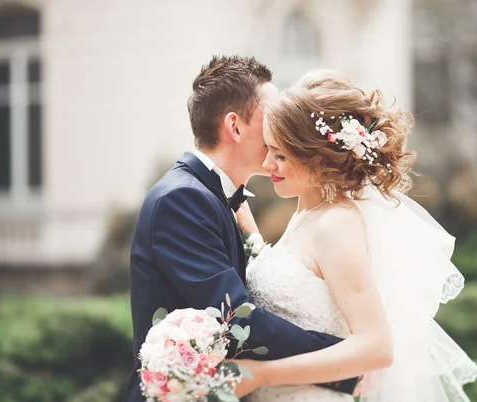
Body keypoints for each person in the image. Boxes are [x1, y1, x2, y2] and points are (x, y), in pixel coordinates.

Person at [233, 70, 477, 401]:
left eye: (280, 155)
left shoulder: (335, 225)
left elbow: (376, 348)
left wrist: (261, 374)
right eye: (268, 149)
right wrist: (243, 220)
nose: (267, 164)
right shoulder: (308, 212)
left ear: (317, 157)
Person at [120, 57, 359, 402]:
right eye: (272, 114)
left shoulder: (217, 198)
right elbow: (235, 321)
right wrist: (345, 362)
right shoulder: (183, 199)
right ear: (235, 126)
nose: (282, 124)